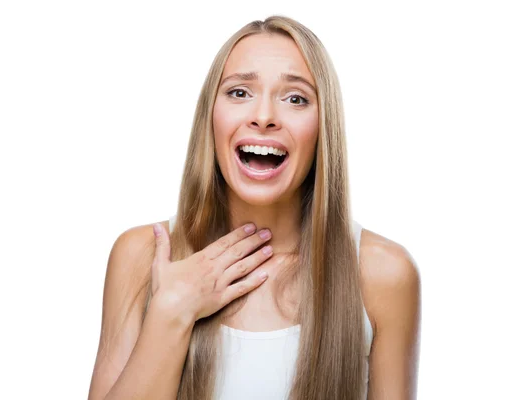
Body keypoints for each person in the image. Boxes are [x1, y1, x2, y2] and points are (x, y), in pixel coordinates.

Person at [87, 15, 421, 400]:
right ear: (210, 116)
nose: (263, 117)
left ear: (323, 125)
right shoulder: (142, 255)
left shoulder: (383, 274)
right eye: (240, 93)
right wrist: (169, 314)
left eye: (295, 99)